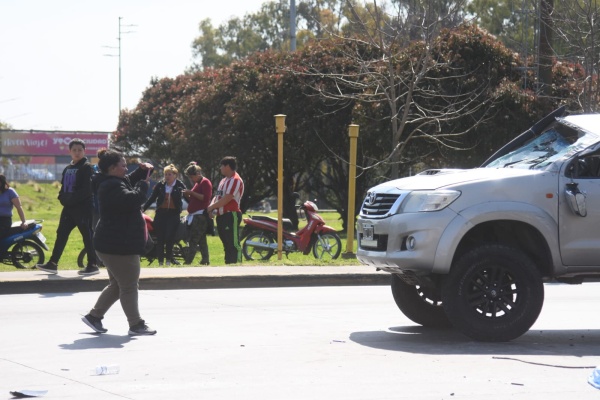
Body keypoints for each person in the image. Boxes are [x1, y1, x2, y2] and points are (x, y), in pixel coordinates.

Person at [81, 148, 157, 336]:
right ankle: (136, 324)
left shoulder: (109, 181)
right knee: (129, 286)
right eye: (123, 165)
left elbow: (126, 183)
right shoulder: (111, 186)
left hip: (112, 243)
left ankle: (94, 317)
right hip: (118, 246)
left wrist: (141, 172)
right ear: (113, 168)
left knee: (119, 285)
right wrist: (144, 185)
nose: (126, 168)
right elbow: (132, 199)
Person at [36, 138, 98, 276]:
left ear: (84, 151)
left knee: (87, 235)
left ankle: (92, 265)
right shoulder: (68, 168)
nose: (77, 153)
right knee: (61, 234)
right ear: (70, 152)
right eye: (74, 150)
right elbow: (64, 188)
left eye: (80, 150)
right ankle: (53, 264)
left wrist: (71, 200)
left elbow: (87, 190)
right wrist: (62, 198)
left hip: (83, 208)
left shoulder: (87, 167)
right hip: (69, 208)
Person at [143, 164, 186, 266]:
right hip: (161, 214)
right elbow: (152, 198)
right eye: (166, 174)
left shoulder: (179, 185)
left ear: (175, 175)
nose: (167, 176)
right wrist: (142, 208)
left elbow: (188, 197)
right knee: (160, 238)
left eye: (169, 174)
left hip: (173, 215)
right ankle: (161, 262)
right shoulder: (160, 185)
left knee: (169, 238)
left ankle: (168, 261)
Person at [206, 156, 244, 264]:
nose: (220, 168)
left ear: (227, 166)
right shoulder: (223, 180)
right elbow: (217, 196)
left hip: (231, 215)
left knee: (233, 242)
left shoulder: (235, 180)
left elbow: (227, 198)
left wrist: (211, 207)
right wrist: (212, 208)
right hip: (221, 215)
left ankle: (236, 264)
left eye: (222, 166)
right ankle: (229, 264)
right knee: (226, 242)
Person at [182, 162, 213, 265]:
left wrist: (191, 193)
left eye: (192, 176)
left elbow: (205, 198)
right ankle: (205, 259)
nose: (191, 179)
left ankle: (188, 261)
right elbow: (194, 199)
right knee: (202, 240)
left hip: (200, 215)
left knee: (193, 239)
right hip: (195, 214)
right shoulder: (197, 183)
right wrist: (187, 194)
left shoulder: (205, 182)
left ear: (197, 174)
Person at [0, 174, 28, 239]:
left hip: (4, 221)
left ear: (2, 182)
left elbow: (19, 207)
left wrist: (24, 221)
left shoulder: (10, 192)